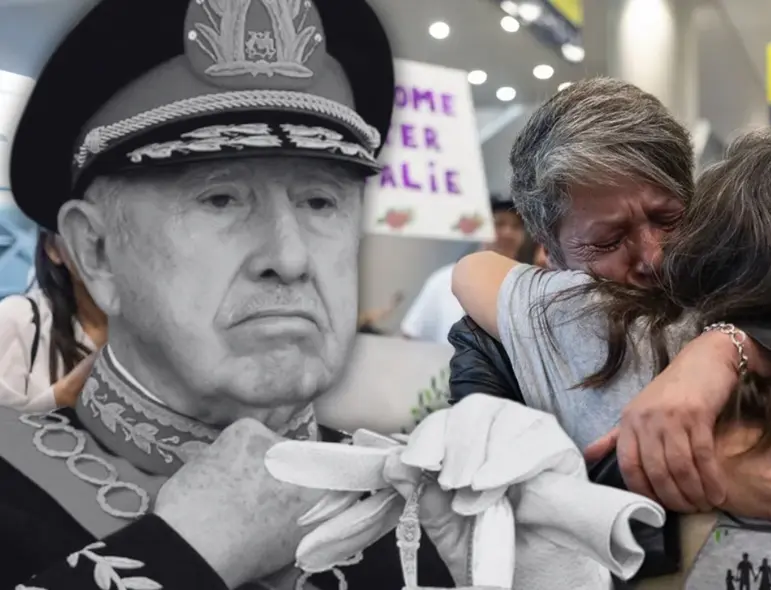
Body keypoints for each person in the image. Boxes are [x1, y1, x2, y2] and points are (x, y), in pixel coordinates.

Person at [0, 0, 456, 588]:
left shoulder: (419, 507)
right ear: (97, 252)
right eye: (220, 199)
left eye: (319, 201)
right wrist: (181, 553)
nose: (290, 259)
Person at [447, 78, 771, 578]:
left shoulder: (754, 296)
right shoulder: (502, 337)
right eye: (607, 241)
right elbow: (484, 508)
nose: (656, 257)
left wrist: (730, 346)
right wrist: (690, 473)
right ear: (551, 250)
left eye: (668, 217)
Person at [0, 230, 105, 411]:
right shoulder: (19, 318)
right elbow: (7, 433)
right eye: (87, 231)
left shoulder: (157, 332)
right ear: (53, 248)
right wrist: (61, 396)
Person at [400, 196, 525, 344]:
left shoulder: (527, 286)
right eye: (499, 223)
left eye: (516, 226)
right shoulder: (444, 279)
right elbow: (410, 335)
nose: (508, 233)